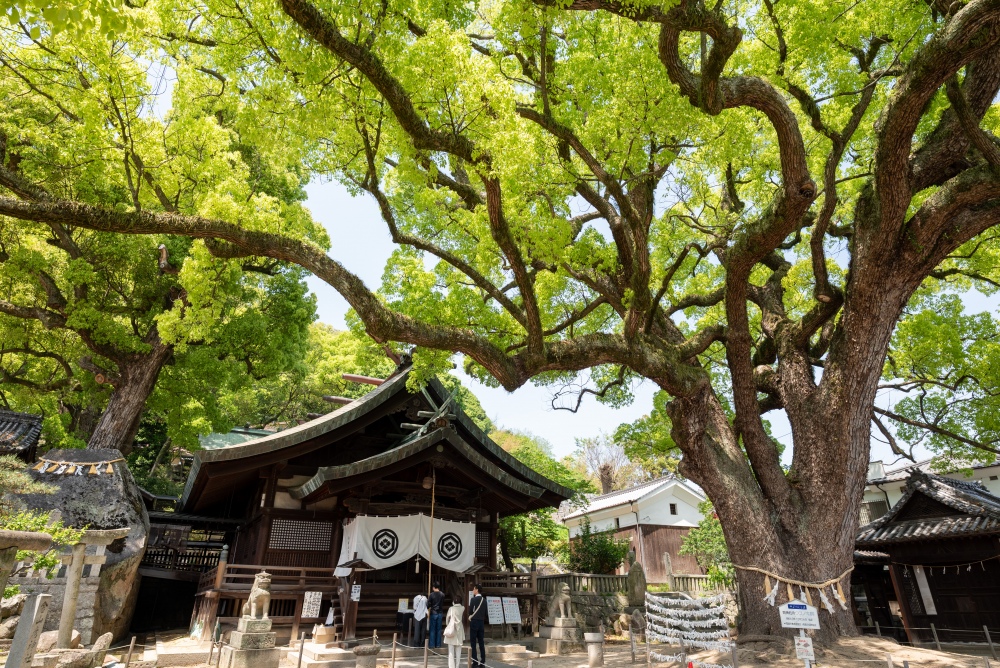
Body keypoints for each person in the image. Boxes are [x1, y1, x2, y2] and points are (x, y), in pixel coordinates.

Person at [443, 595, 465, 668]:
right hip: (459, 630)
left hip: (452, 631)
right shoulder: (463, 608)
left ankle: (451, 666)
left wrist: (448, 625)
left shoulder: (451, 609)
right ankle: (457, 666)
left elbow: (447, 619)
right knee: (458, 651)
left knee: (451, 651)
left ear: (453, 601)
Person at [468, 584, 487, 668]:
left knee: (473, 642)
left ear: (476, 590)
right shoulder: (484, 600)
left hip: (474, 621)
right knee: (481, 642)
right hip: (481, 622)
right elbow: (486, 613)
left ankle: (475, 661)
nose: (473, 590)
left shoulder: (473, 600)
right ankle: (482, 661)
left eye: (473, 589)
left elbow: (470, 611)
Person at [428, 582, 446, 648]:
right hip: (440, 613)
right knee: (438, 629)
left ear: (434, 587)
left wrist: (429, 606)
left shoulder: (432, 595)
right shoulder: (442, 594)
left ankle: (432, 644)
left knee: (432, 629)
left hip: (433, 612)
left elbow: (428, 604)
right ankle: (438, 644)